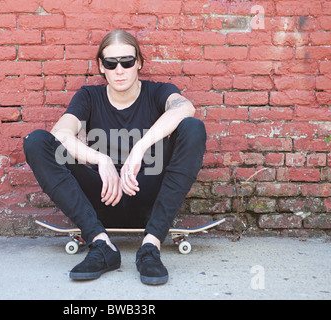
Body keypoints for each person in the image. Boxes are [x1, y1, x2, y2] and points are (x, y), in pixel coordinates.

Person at [23, 30, 206, 285]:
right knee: (37, 141)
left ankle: (151, 246)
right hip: (103, 197)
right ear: (102, 66)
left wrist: (140, 148)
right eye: (111, 63)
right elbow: (60, 133)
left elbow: (185, 107)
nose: (119, 70)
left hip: (148, 194)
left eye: (127, 62)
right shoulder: (89, 96)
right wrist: (102, 160)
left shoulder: (157, 92)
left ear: (139, 62)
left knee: (193, 128)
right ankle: (100, 244)